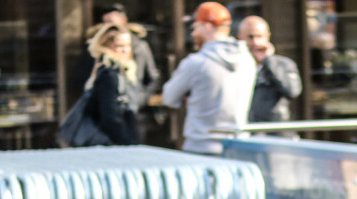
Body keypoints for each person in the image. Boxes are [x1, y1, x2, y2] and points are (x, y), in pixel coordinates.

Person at [161, 2, 256, 154]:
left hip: (201, 146)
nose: (192, 34)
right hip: (238, 146)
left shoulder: (196, 63)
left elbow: (169, 98)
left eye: (195, 27)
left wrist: (189, 97)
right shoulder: (247, 60)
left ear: (208, 27)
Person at [82, 22, 143, 145]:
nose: (125, 50)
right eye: (120, 46)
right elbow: (110, 116)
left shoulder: (124, 70)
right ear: (107, 46)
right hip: (113, 143)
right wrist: (126, 143)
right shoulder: (109, 73)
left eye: (128, 45)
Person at [238, 16, 301, 125]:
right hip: (246, 132)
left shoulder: (283, 64)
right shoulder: (235, 66)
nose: (256, 42)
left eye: (259, 36)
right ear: (240, 38)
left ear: (268, 37)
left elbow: (292, 91)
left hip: (275, 133)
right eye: (250, 37)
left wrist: (269, 61)